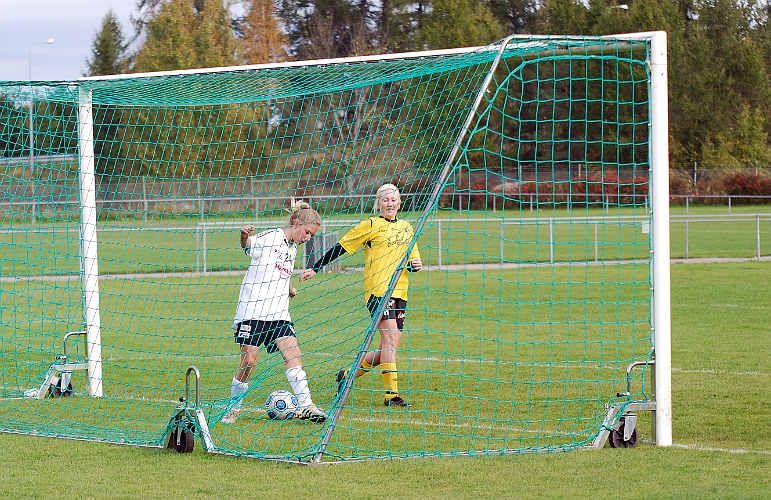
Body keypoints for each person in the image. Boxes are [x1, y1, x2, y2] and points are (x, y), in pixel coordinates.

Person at [300, 184, 422, 408]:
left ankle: (347, 376)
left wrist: (415, 264)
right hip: (378, 291)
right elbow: (342, 246)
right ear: (378, 203)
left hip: (401, 292)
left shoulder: (407, 228)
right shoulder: (371, 225)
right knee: (389, 341)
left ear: (399, 202)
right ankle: (392, 395)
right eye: (385, 200)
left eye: (393, 199)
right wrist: (316, 267)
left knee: (389, 346)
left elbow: (413, 259)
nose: (389, 203)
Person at [222, 201, 328, 424]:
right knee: (249, 361)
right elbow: (248, 246)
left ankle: (307, 405)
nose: (308, 238)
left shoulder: (293, 247)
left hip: (279, 312)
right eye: (307, 232)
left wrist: (289, 288)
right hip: (253, 310)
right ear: (295, 222)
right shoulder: (272, 236)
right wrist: (244, 235)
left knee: (294, 354)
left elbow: (280, 271)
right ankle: (233, 408)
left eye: (311, 235)